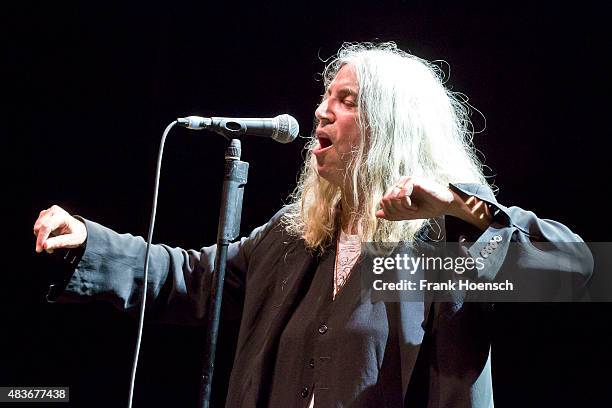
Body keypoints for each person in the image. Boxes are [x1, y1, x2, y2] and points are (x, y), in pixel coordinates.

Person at [33, 42, 592, 407]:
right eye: (326, 95)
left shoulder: (442, 244)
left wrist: (458, 205)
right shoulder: (297, 234)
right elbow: (198, 278)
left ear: (388, 129)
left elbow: (574, 270)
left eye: (345, 100)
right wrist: (92, 243)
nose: (321, 111)